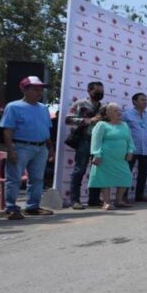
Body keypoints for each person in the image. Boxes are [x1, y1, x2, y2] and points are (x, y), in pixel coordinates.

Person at [0, 76, 55, 220]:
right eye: (35, 89)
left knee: (37, 179)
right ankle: (11, 208)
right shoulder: (13, 106)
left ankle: (33, 207)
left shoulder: (43, 108)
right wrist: (10, 150)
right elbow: (7, 131)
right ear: (24, 90)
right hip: (21, 146)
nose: (39, 92)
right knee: (14, 178)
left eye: (41, 89)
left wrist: (50, 149)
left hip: (41, 148)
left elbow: (46, 130)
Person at [65, 81, 103, 210]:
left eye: (102, 91)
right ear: (89, 91)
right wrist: (88, 120)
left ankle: (94, 199)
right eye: (97, 91)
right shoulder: (80, 103)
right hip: (85, 140)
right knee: (79, 170)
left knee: (97, 171)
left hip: (99, 141)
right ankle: (75, 200)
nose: (100, 93)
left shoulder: (103, 107)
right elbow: (68, 119)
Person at [88, 103, 135, 210]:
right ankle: (107, 202)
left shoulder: (124, 125)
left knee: (126, 177)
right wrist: (97, 154)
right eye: (115, 110)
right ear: (108, 113)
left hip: (121, 159)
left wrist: (130, 151)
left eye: (119, 110)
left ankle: (119, 200)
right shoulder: (102, 125)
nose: (119, 112)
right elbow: (96, 141)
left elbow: (130, 140)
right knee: (105, 179)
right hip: (105, 158)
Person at [123, 92, 147, 202]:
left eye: (146, 100)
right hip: (130, 149)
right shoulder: (126, 115)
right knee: (127, 173)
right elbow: (122, 131)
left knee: (143, 173)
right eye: (142, 99)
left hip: (146, 149)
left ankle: (140, 195)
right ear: (134, 101)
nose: (145, 102)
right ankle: (123, 196)